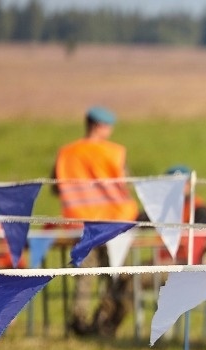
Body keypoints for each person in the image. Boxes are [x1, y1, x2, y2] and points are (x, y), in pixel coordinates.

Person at [52, 105, 139, 337]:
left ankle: (78, 321)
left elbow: (56, 186)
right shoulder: (114, 152)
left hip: (80, 223)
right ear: (100, 126)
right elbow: (126, 183)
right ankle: (104, 319)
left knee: (84, 275)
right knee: (116, 273)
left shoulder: (67, 152)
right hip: (114, 224)